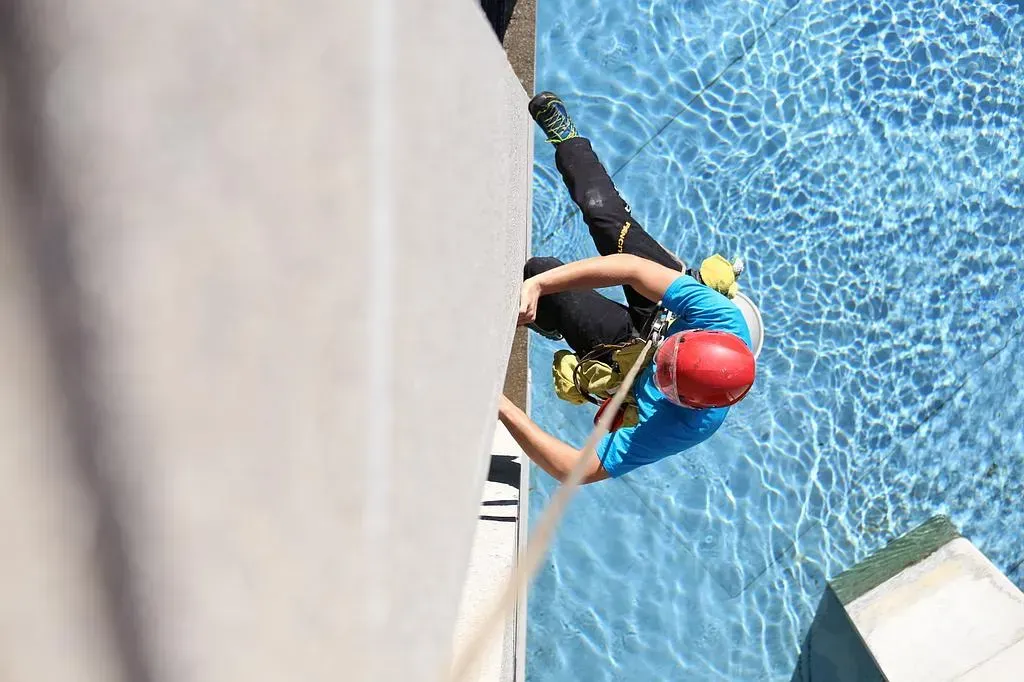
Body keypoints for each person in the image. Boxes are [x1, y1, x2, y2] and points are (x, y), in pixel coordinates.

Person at [498, 92, 756, 484]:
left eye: (664, 373)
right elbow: (632, 269)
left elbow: (576, 470)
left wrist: (501, 407)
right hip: (665, 313)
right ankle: (567, 138)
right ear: (705, 335)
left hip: (630, 350)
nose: (660, 361)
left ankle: (554, 320)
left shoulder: (683, 425)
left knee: (540, 269)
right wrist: (539, 286)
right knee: (603, 212)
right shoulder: (719, 317)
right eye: (671, 354)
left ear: (684, 401)